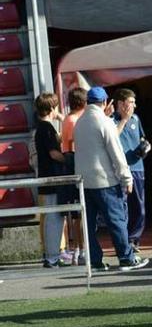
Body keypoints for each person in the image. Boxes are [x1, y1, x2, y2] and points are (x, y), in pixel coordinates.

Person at [75, 87, 149, 272]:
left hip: (84, 181)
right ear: (105, 101)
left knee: (90, 225)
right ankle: (126, 258)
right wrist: (126, 178)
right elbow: (116, 154)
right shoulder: (105, 122)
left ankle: (96, 261)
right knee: (117, 220)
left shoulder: (79, 122)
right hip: (105, 180)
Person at [34, 93, 69, 268]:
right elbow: (54, 153)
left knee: (51, 218)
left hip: (46, 177)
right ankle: (52, 257)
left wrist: (63, 120)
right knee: (54, 219)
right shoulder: (46, 128)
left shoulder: (43, 128)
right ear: (51, 109)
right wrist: (69, 160)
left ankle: (51, 255)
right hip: (51, 178)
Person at [113, 89, 150, 253]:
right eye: (131, 102)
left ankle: (134, 239)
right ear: (121, 104)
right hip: (120, 170)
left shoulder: (136, 118)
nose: (134, 105)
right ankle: (123, 240)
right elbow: (112, 137)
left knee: (139, 206)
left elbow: (143, 138)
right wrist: (124, 119)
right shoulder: (111, 120)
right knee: (122, 207)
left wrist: (146, 147)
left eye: (134, 102)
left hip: (137, 168)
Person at [59, 87, 88, 265]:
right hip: (74, 163)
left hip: (73, 162)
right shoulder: (74, 120)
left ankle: (80, 249)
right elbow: (72, 144)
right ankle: (80, 249)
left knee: (78, 212)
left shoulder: (71, 119)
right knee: (79, 211)